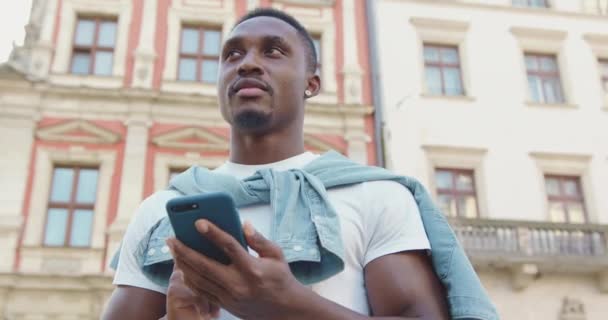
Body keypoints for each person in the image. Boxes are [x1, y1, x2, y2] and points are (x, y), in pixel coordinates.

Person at [102, 8, 496, 320]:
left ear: (312, 82)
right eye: (232, 54)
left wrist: (289, 306)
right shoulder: (161, 212)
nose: (247, 64)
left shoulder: (376, 195)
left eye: (272, 51)